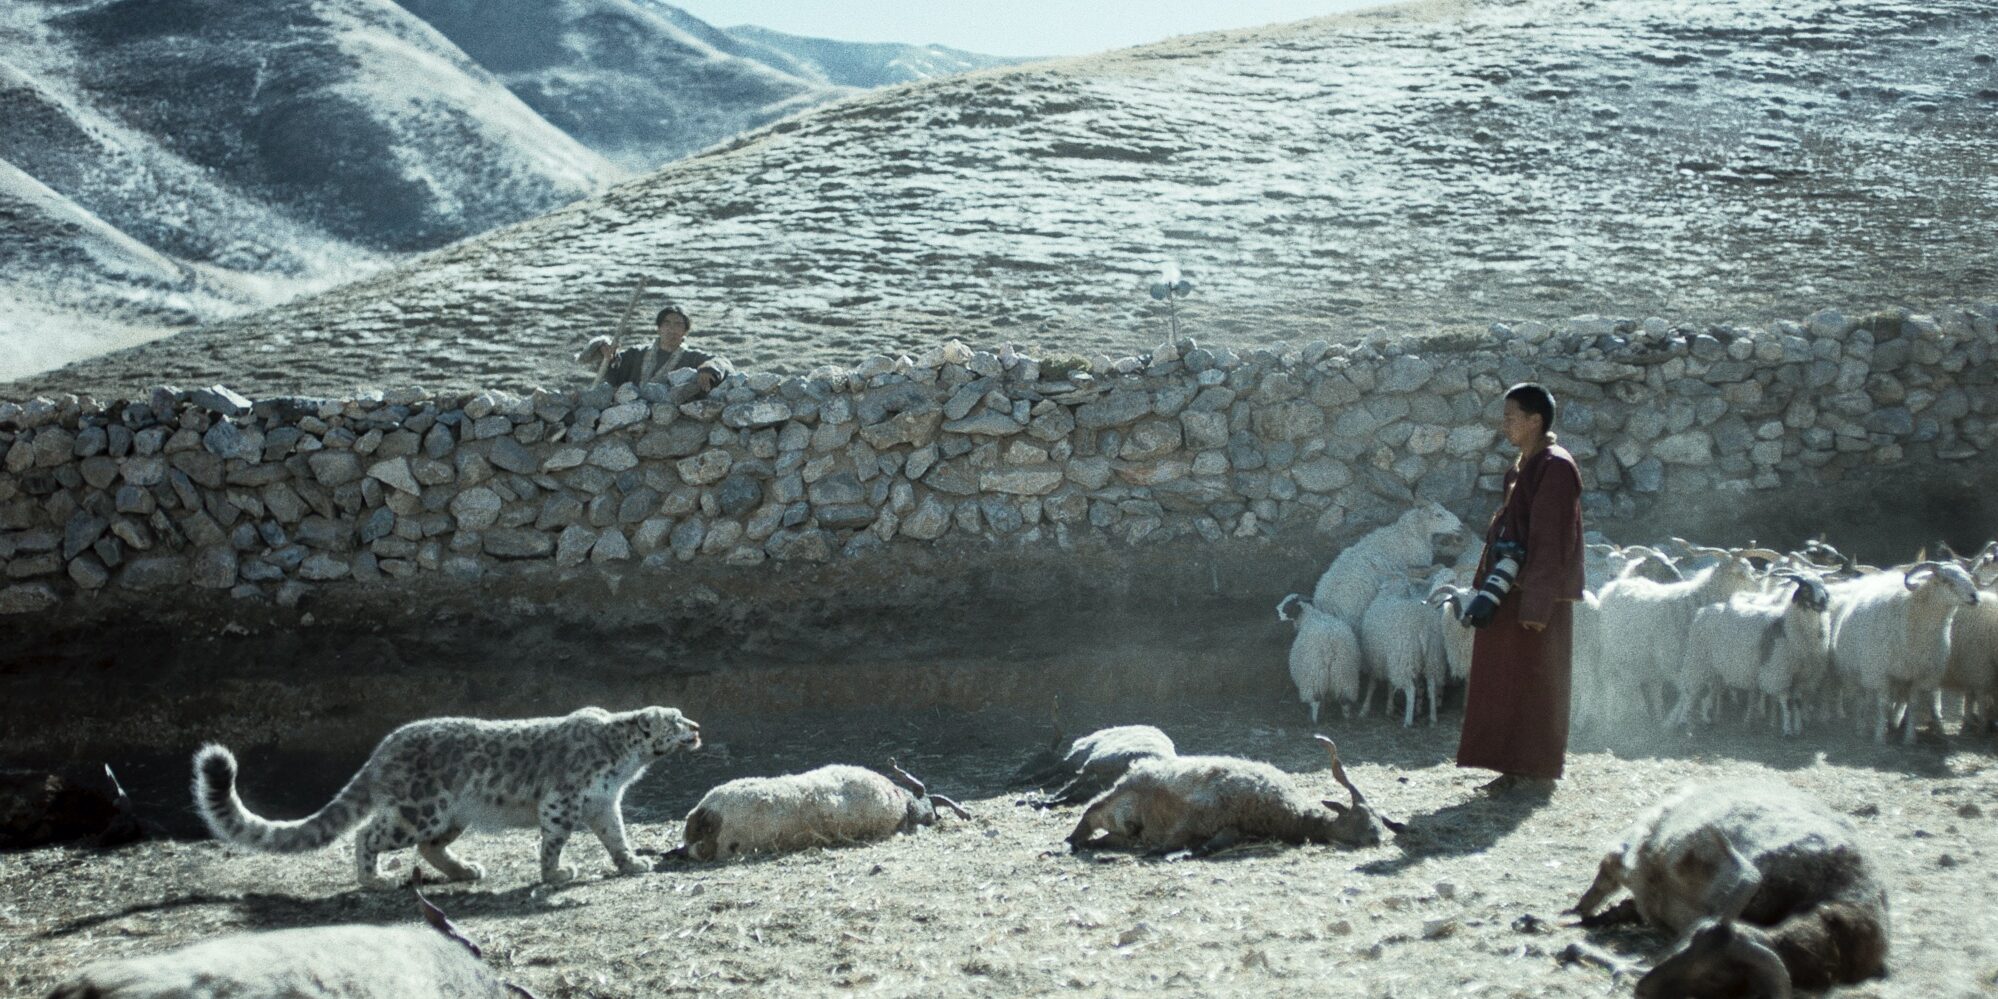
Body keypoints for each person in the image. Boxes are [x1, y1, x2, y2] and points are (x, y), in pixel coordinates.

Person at [1454, 382, 1584, 796]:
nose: (1504, 424)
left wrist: (1537, 605)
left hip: (1534, 598)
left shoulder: (1555, 467)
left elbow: (1549, 538)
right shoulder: (1521, 467)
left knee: (1535, 680)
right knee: (1504, 681)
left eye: (1511, 416)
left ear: (1535, 420)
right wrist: (1486, 587)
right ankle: (1511, 767)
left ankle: (1536, 769)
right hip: (1507, 590)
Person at [575, 305, 733, 392]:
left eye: (678, 324)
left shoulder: (692, 357)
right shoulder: (637, 354)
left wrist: (708, 369)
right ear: (658, 328)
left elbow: (722, 361)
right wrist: (603, 347)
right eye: (667, 323)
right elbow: (592, 359)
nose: (672, 329)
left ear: (685, 331)